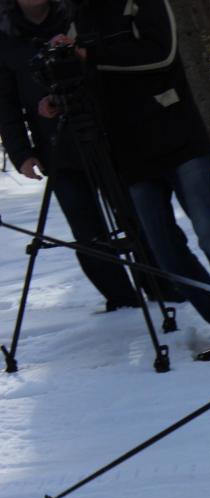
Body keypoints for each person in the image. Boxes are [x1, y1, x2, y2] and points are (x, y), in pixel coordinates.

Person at [58, 0, 210, 366]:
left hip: (178, 137)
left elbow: (161, 52)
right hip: (131, 153)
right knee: (165, 254)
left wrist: (91, 53)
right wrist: (57, 88)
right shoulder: (80, 15)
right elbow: (84, 74)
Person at [0, 0, 139, 311]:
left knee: (135, 217)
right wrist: (21, 153)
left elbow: (109, 67)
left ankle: (165, 287)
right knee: (87, 231)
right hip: (56, 146)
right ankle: (122, 301)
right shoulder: (5, 36)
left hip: (106, 134)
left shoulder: (78, 16)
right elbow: (6, 103)